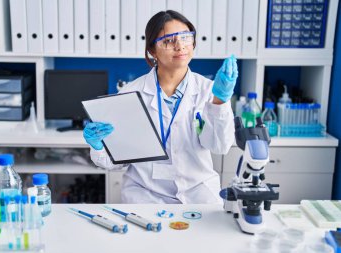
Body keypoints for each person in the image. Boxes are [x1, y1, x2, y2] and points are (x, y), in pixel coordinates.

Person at [83, 10, 237, 204]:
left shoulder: (209, 91)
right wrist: (98, 146)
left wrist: (220, 101)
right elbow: (114, 163)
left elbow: (220, 146)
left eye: (185, 38)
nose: (180, 46)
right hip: (146, 193)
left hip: (198, 191)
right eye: (168, 41)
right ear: (152, 51)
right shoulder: (131, 93)